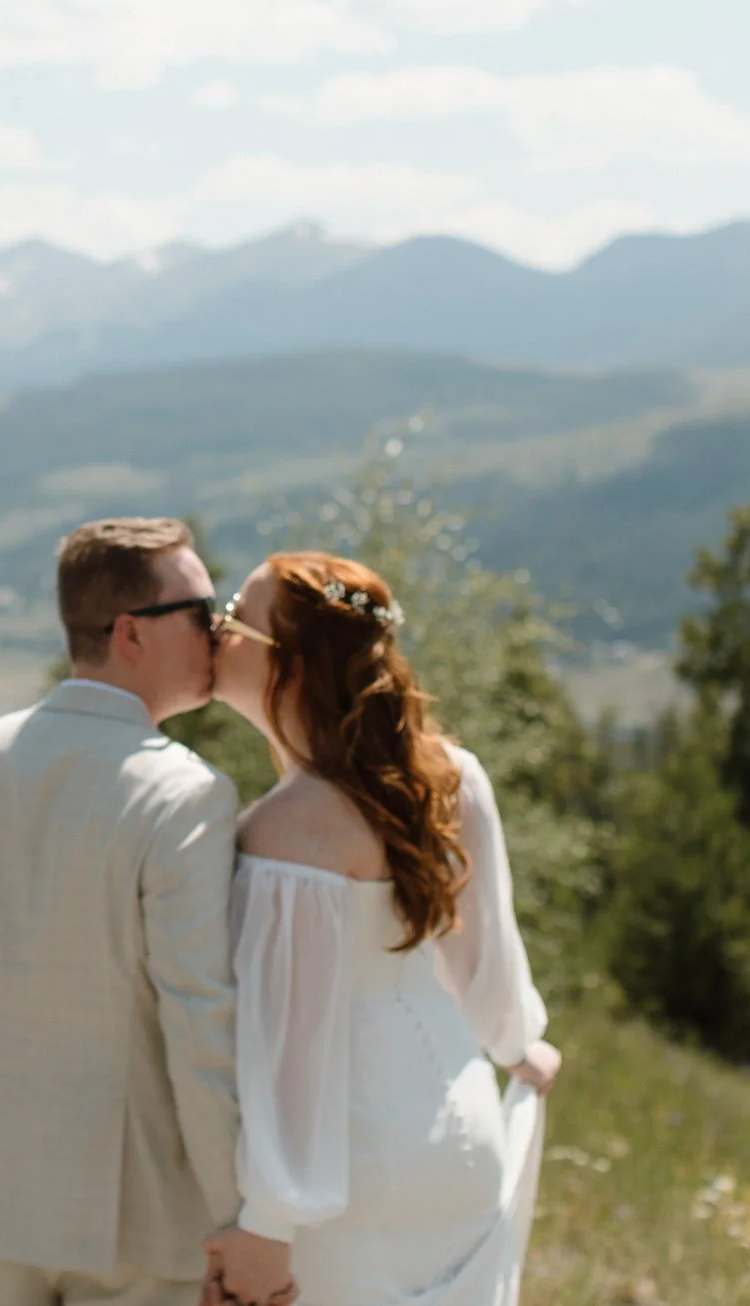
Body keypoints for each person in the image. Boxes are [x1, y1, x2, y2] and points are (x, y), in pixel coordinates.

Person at [0, 517, 298, 1306]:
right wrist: (236, 1215)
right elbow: (199, 1017)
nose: (219, 633)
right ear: (129, 633)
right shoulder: (183, 792)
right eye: (201, 611)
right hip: (134, 1218)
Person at [203, 551, 559, 1306]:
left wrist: (268, 1223)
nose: (218, 626)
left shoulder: (284, 833)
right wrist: (518, 1046)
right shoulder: (452, 777)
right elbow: (484, 957)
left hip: (350, 1176)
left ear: (289, 668)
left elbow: (289, 1048)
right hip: (460, 1135)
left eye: (238, 612)